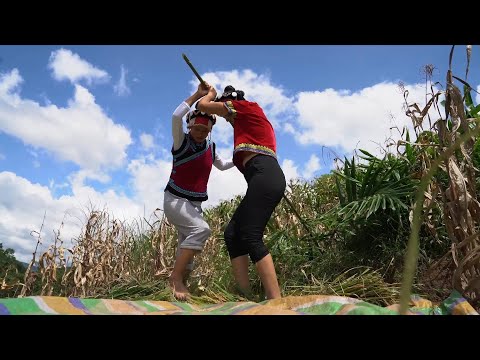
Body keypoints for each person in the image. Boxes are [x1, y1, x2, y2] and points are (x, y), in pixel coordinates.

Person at [197, 85, 286, 300]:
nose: (228, 120)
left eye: (227, 114)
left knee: (250, 234)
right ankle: (245, 296)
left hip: (265, 175)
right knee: (232, 234)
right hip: (261, 177)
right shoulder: (250, 121)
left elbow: (203, 107)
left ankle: (275, 300)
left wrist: (208, 95)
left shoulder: (246, 107)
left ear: (230, 102)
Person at [164, 83, 234, 301]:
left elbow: (222, 165)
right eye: (197, 129)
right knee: (201, 230)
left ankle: (179, 289)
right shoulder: (181, 142)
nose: (201, 133)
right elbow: (176, 117)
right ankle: (175, 278)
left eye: (205, 130)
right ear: (190, 127)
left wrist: (241, 158)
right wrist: (199, 95)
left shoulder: (209, 148)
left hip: (194, 204)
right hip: (175, 200)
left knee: (187, 252)